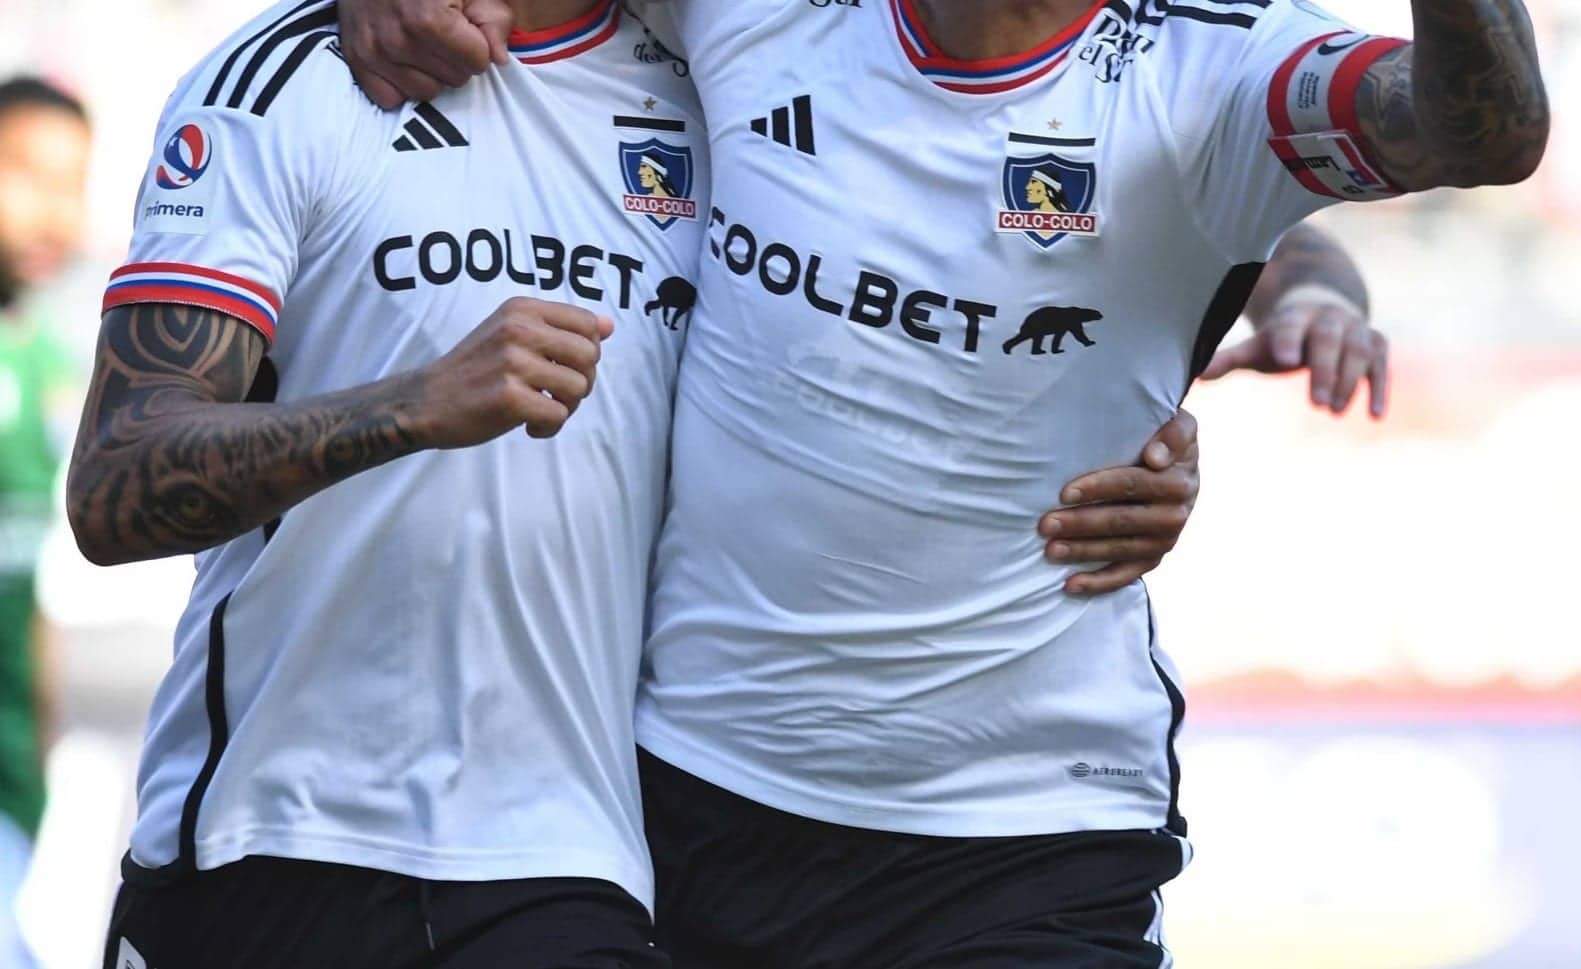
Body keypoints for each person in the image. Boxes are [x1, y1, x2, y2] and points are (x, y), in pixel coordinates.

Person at [339, 0, 1547, 966]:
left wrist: (1310, 287)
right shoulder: (760, 16)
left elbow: (1479, 137)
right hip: (700, 798)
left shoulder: (1222, 61)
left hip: (1026, 837)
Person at [72, 2, 1201, 966]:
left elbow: (987, 259)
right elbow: (115, 482)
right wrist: (411, 406)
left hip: (570, 863)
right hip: (272, 835)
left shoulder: (728, 87)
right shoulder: (294, 77)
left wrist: (1115, 428)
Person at [0, 75, 91, 969]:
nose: (51, 209)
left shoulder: (51, 367)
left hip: (16, 771)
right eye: (24, 171)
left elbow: (34, 581)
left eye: (73, 182)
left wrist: (46, 722)